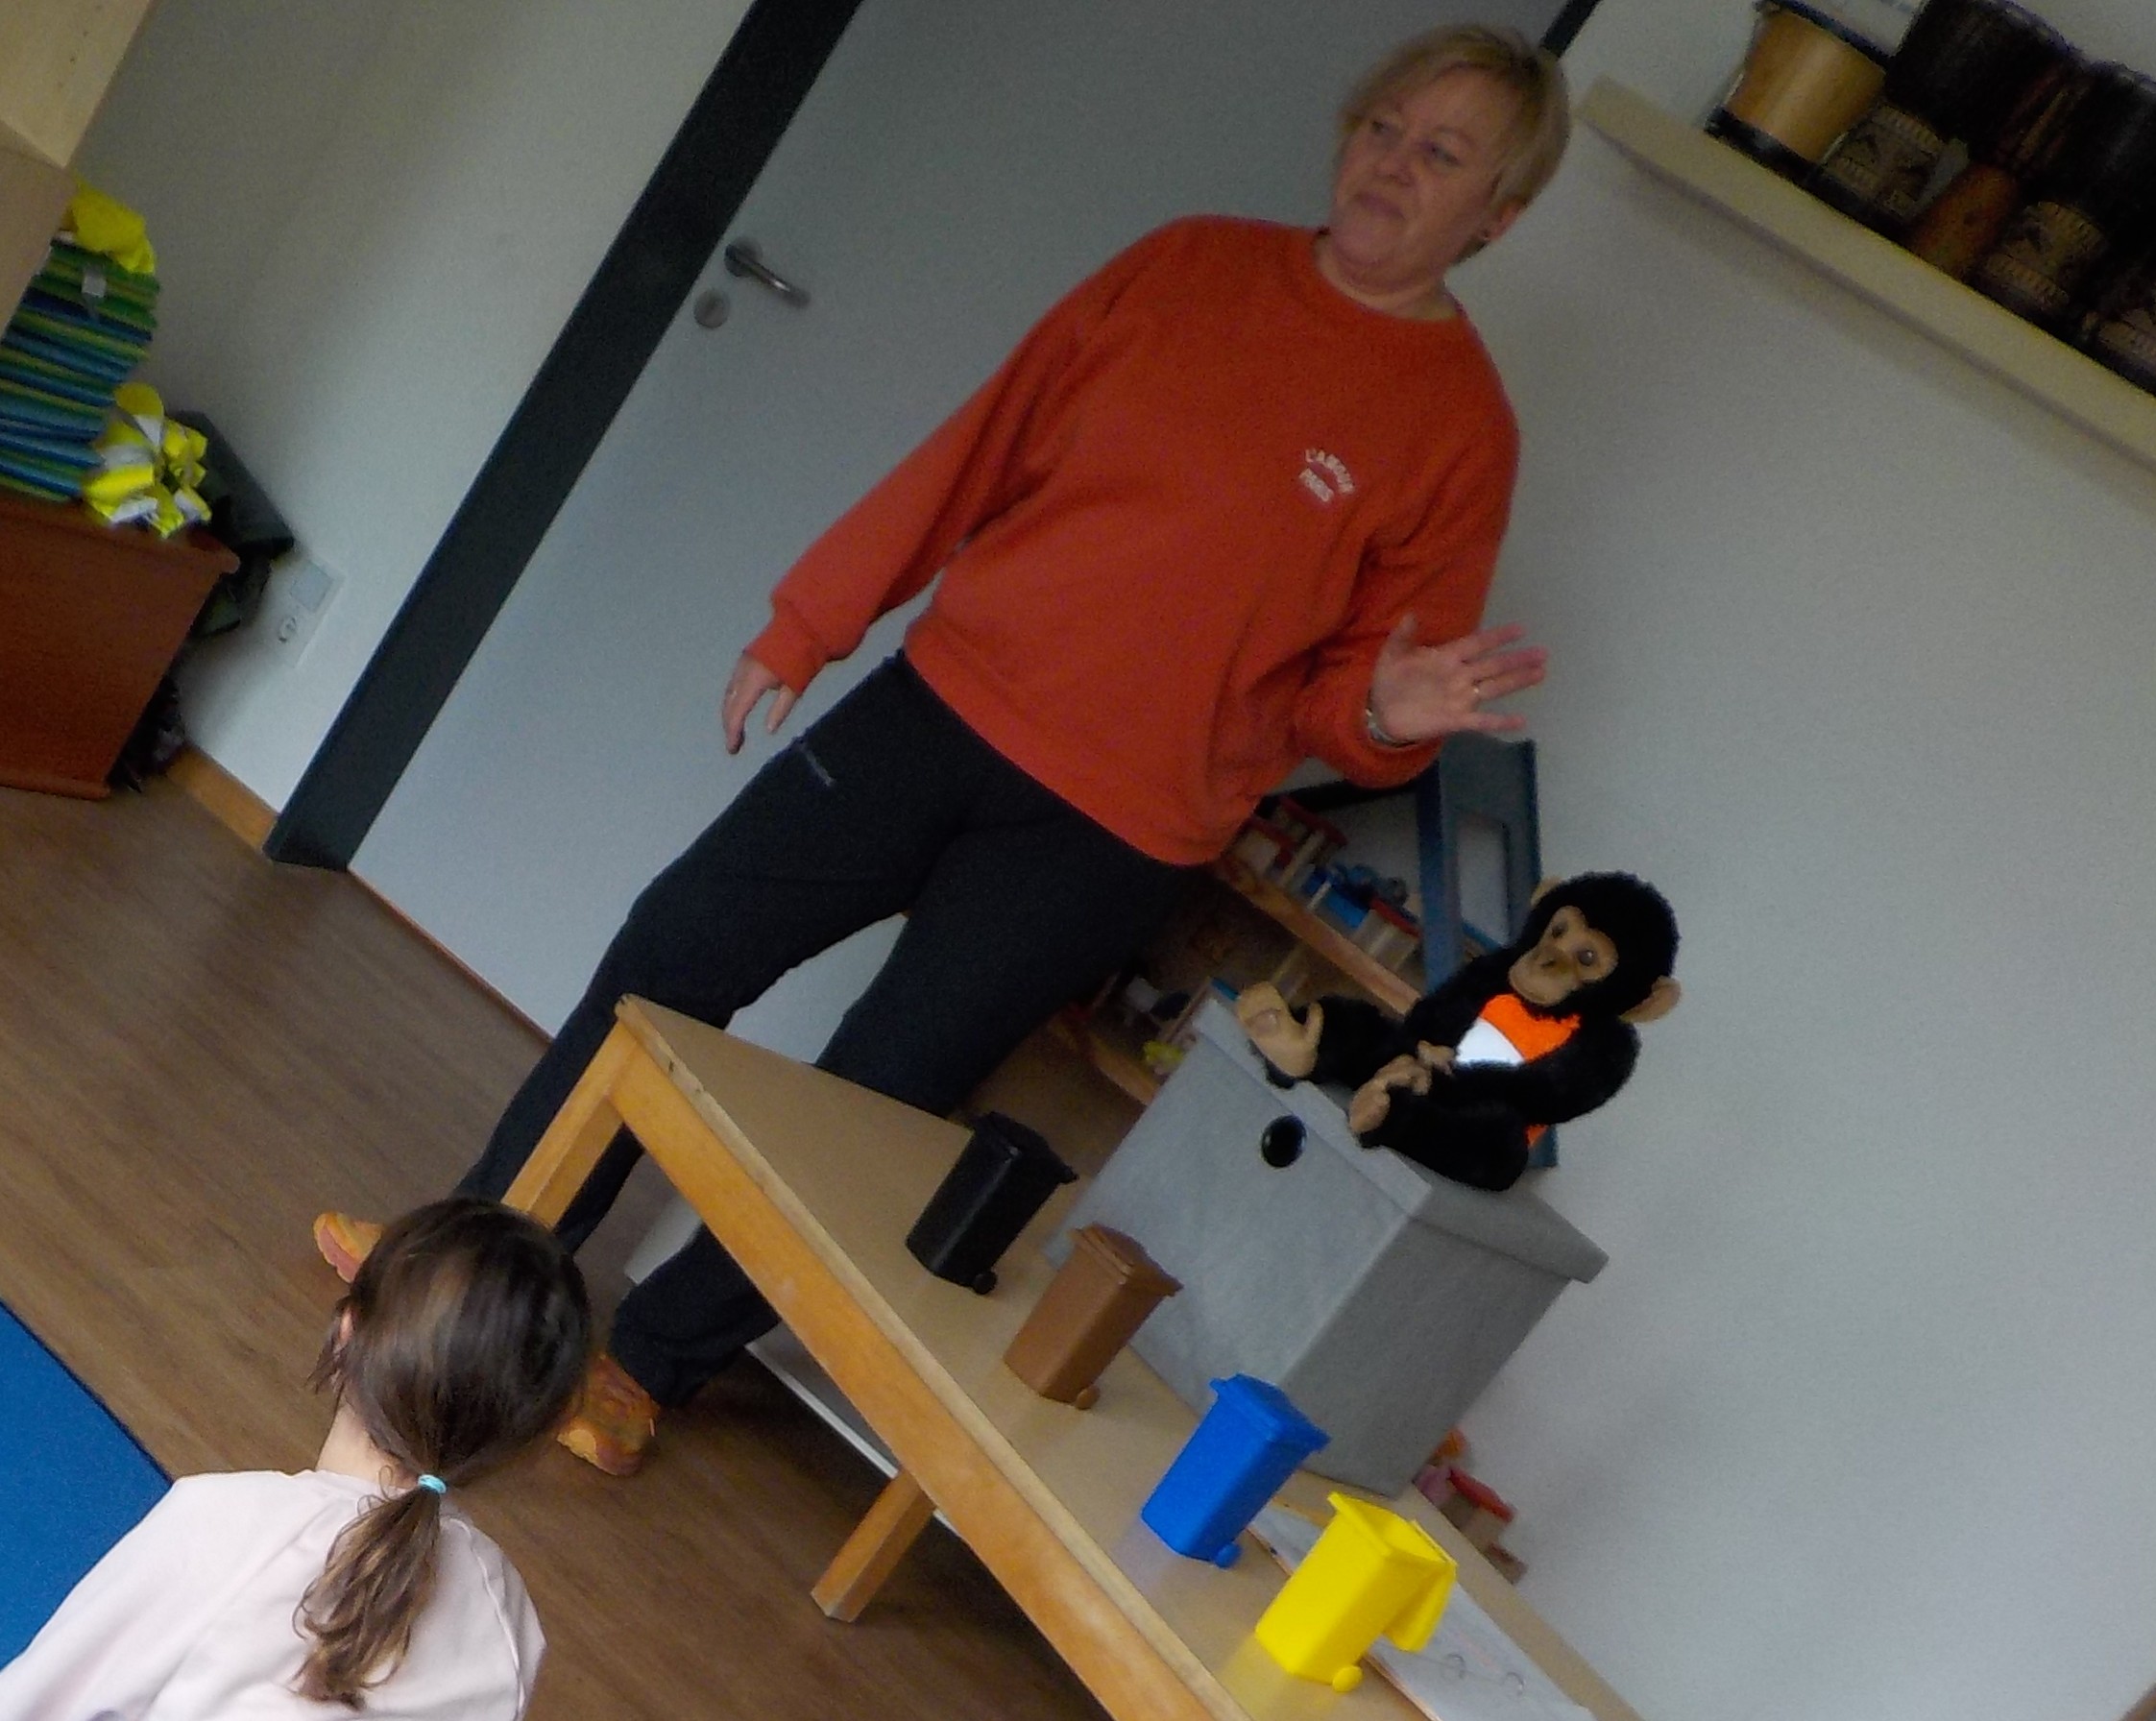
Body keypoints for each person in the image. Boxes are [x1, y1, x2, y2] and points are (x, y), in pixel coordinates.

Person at [315, 23, 1571, 1475]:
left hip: (1112, 831)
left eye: (1441, 154)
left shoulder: (1459, 432)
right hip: (938, 707)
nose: (1390, 165)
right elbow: (984, 445)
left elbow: (1349, 706)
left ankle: (648, 1365)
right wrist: (812, 619)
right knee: (675, 948)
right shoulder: (1189, 266)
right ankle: (460, 1280)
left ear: (1496, 215)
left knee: (866, 1105)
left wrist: (1383, 716)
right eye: (1382, 126)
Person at [0, 1200, 590, 1719]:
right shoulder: (507, 1621)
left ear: (346, 1331)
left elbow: (36, 1700)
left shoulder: (228, 1522)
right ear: (534, 1433)